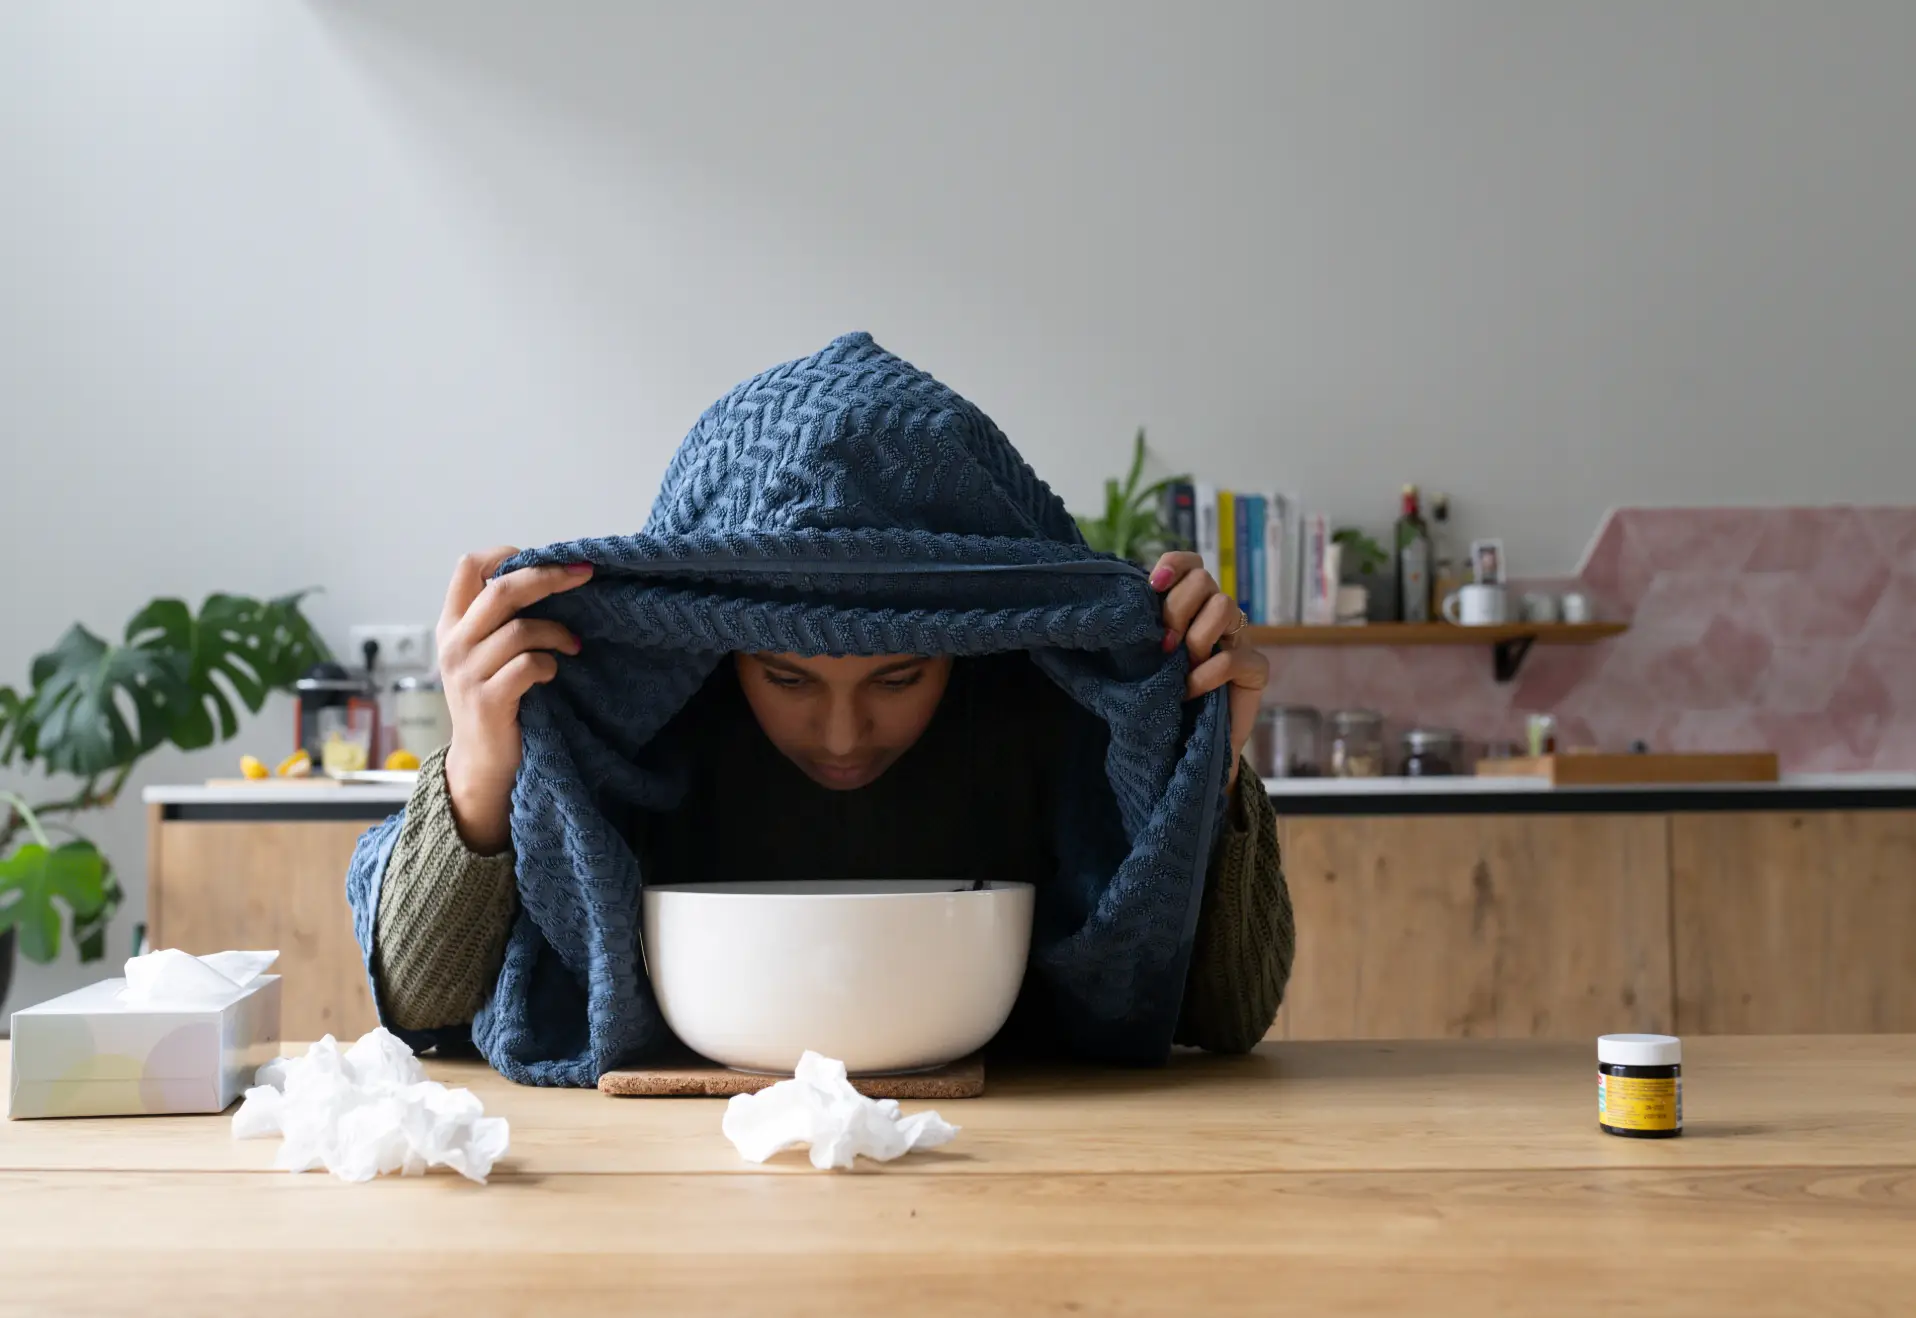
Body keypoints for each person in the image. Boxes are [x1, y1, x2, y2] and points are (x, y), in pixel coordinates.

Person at [353, 333, 1294, 1076]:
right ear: (717, 653)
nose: (843, 737)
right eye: (787, 677)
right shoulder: (633, 744)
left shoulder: (1056, 736)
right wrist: (479, 769)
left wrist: (1200, 774)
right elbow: (421, 1005)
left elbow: (1227, 1018)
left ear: (971, 653)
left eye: (899, 677)